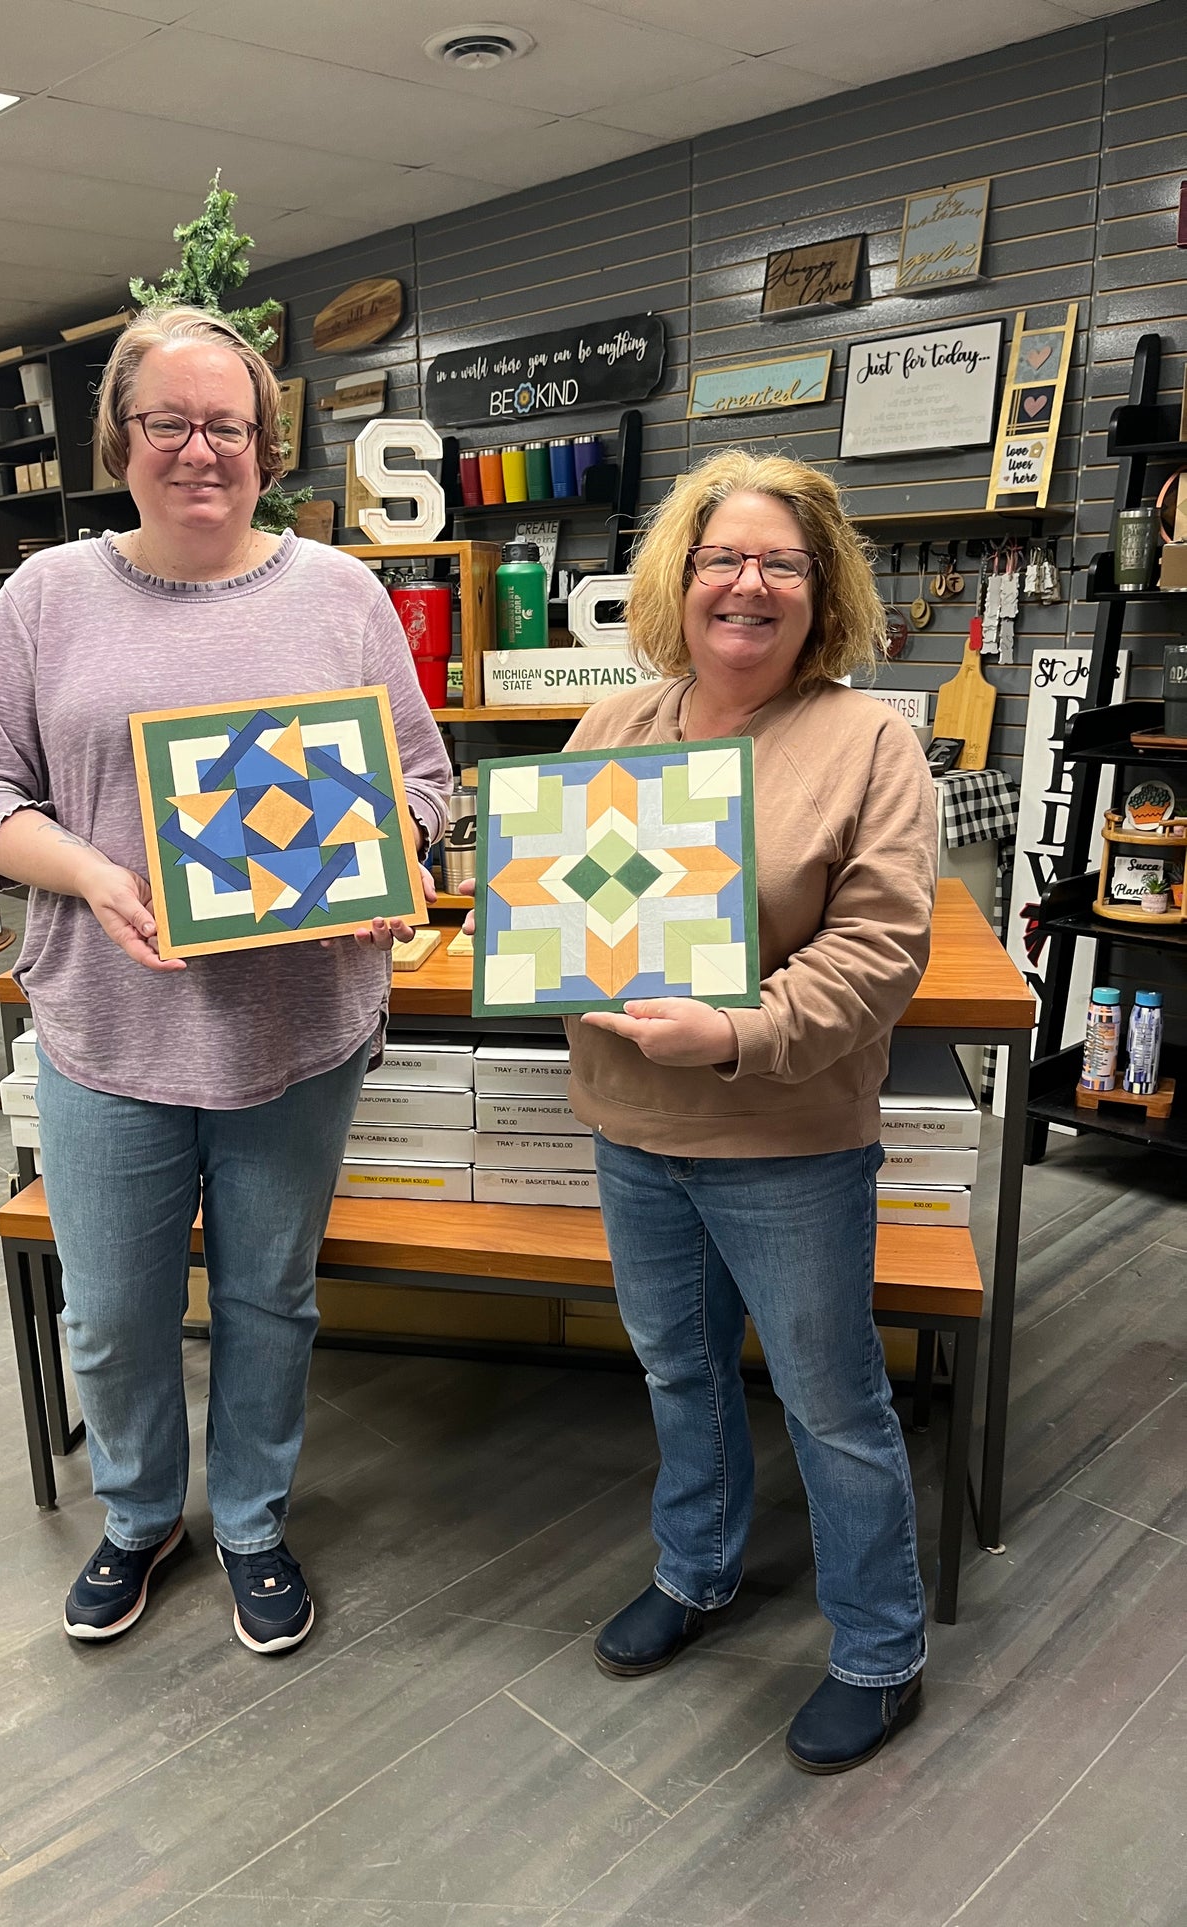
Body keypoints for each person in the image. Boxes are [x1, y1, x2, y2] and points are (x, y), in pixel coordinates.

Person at [0, 304, 452, 1655]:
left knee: (272, 1297)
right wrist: (93, 876)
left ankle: (257, 1522)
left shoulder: (339, 595)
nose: (198, 449)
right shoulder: (47, 594)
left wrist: (383, 857)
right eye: (168, 421)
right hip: (106, 1024)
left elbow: (422, 783)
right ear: (120, 438)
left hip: (298, 1027)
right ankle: (140, 1513)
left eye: (227, 425)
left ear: (268, 446)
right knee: (110, 1310)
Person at [479, 450, 937, 1772]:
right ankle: (695, 1573)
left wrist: (737, 1031)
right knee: (677, 1371)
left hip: (783, 1143)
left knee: (828, 1402)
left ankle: (876, 1648)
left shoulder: (865, 741)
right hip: (630, 1131)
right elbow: (557, 916)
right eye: (720, 558)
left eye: (779, 564)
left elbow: (874, 955)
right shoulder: (614, 729)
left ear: (820, 588)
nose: (746, 585)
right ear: (676, 580)